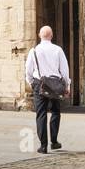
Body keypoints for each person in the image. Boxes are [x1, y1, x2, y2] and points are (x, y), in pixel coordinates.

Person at [25, 25, 70, 153]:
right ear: (51, 36)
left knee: (41, 114)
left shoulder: (34, 51)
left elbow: (28, 70)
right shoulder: (58, 50)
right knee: (55, 112)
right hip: (55, 84)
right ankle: (54, 141)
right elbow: (65, 70)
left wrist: (32, 83)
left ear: (39, 36)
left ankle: (43, 145)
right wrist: (66, 86)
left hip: (40, 83)